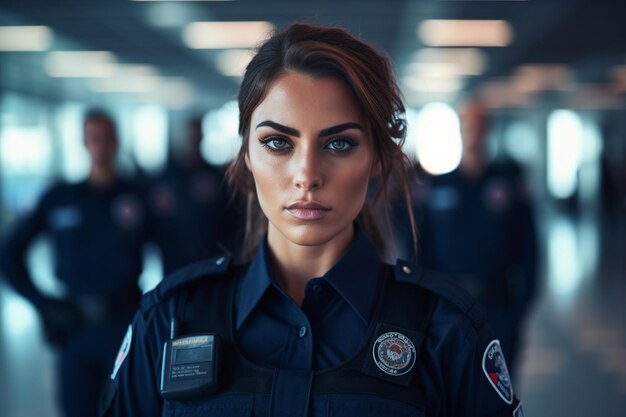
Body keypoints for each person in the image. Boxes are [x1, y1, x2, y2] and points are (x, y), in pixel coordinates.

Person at [100, 24, 524, 416]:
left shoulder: (448, 331)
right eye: (278, 142)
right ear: (247, 154)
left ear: (377, 157)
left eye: (339, 143)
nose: (307, 175)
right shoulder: (169, 319)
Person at [0, 110, 153, 417]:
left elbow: (175, 251)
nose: (101, 146)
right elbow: (9, 253)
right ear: (85, 143)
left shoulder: (138, 195)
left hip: (125, 324)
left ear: (116, 142)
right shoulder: (61, 198)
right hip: (73, 328)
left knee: (130, 409)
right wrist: (43, 304)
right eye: (94, 138)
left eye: (107, 138)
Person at [405, 100, 538, 378]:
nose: (474, 133)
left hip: (498, 306)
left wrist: (519, 309)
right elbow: (418, 250)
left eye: (480, 126)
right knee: (452, 390)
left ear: (488, 131)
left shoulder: (508, 183)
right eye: (468, 126)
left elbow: (530, 250)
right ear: (460, 131)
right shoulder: (438, 187)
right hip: (450, 307)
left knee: (500, 390)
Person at [147, 116, 239, 274]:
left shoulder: (214, 177)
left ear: (202, 137)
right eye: (190, 135)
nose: (193, 139)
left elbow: (228, 217)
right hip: (174, 261)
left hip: (209, 261)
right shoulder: (167, 178)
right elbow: (153, 222)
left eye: (196, 135)